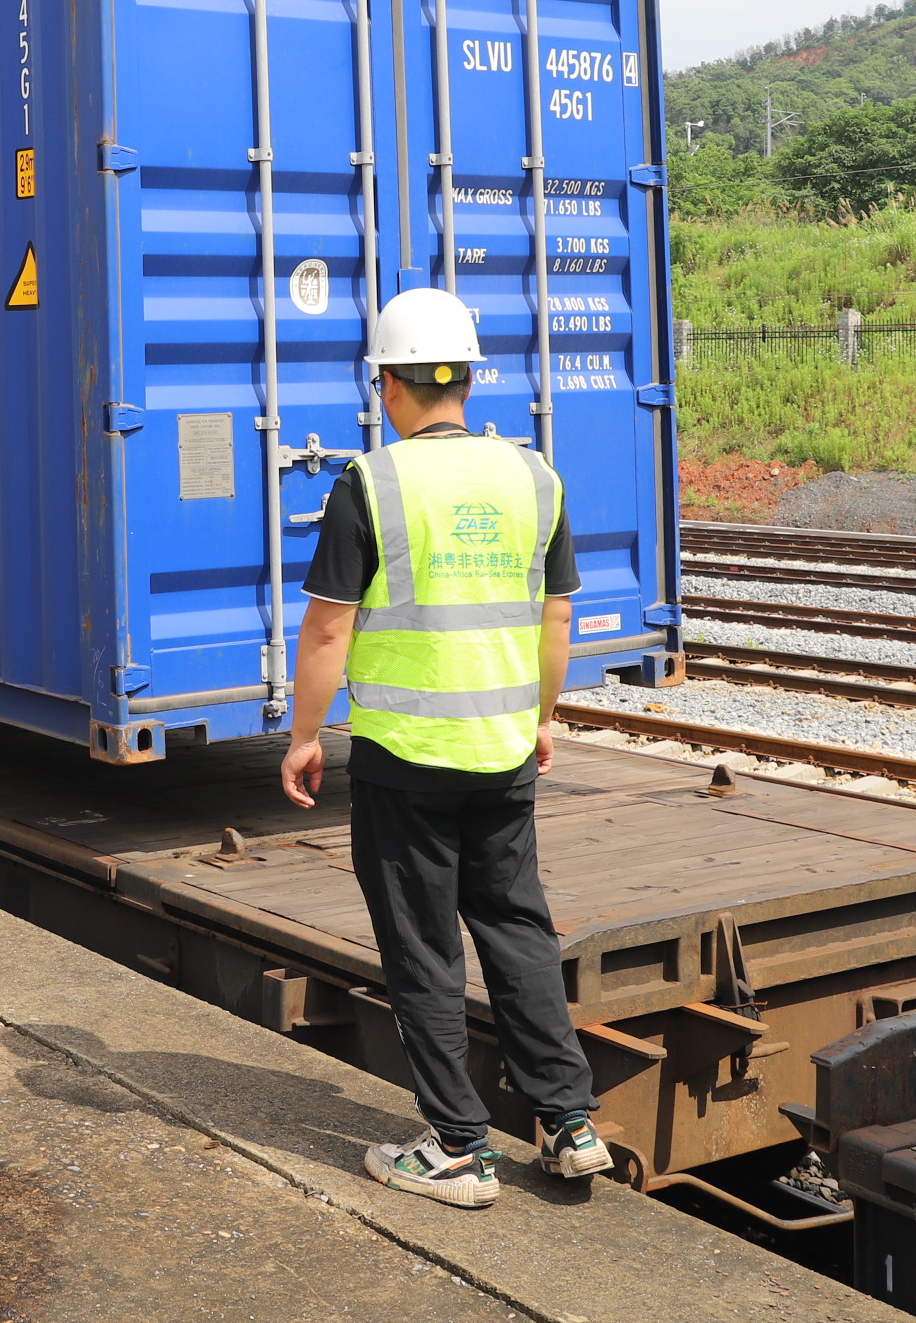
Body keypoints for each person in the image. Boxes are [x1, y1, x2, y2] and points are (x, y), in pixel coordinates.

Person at [278, 287, 612, 1209]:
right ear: (466, 377)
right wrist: (543, 716)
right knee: (516, 928)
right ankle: (570, 1123)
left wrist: (306, 737)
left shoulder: (371, 481)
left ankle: (459, 1147)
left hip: (405, 759)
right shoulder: (535, 477)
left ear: (386, 384)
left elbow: (325, 632)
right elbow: (557, 619)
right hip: (502, 752)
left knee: (424, 945)